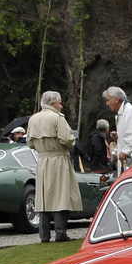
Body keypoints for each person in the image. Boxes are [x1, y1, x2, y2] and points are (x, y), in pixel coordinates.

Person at [27, 91, 79, 243]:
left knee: (43, 197)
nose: (61, 106)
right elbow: (68, 139)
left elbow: (29, 143)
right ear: (53, 103)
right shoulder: (57, 118)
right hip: (59, 159)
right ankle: (60, 233)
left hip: (42, 160)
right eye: (59, 103)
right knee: (61, 194)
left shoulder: (33, 119)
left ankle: (44, 235)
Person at [103, 86, 132, 168]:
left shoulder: (129, 111)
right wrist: (119, 137)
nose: (107, 104)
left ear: (116, 99)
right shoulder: (124, 113)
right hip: (131, 166)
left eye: (108, 100)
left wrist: (126, 152)